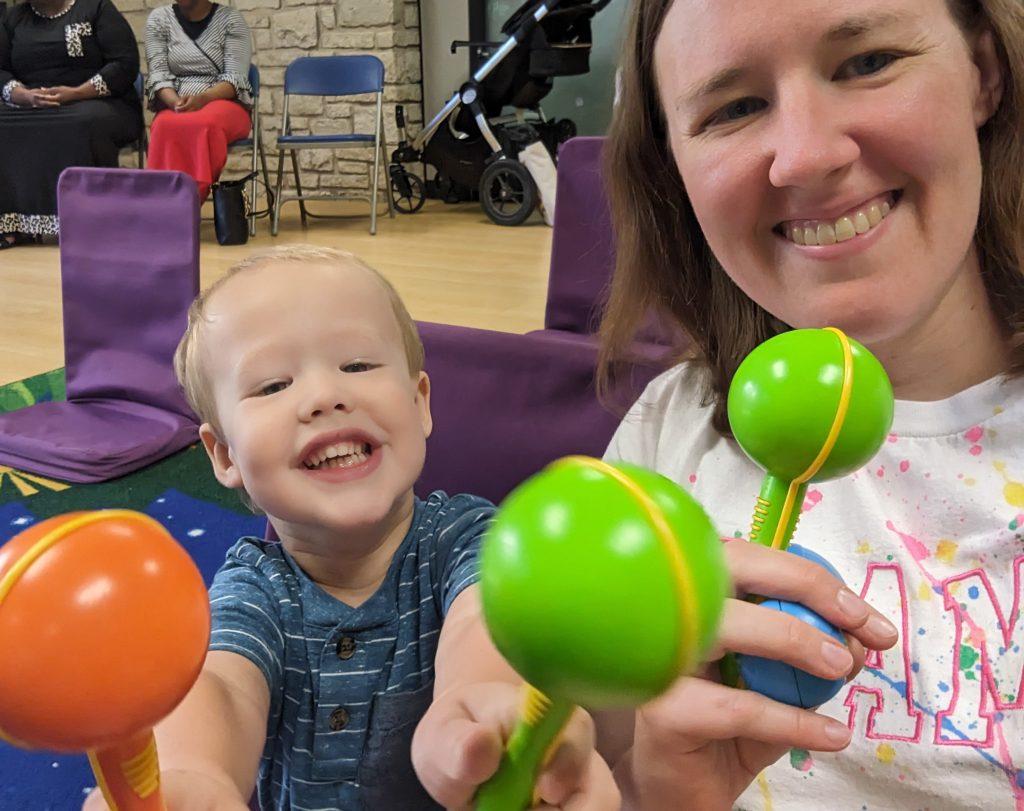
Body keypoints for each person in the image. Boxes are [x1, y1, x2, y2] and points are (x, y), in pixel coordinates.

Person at [596, 0, 1024, 808]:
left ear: (984, 73)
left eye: (867, 63)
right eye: (735, 107)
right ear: (674, 171)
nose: (806, 155)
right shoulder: (669, 433)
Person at [82, 245, 618, 811]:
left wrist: (480, 697)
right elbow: (224, 686)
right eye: (272, 386)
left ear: (420, 403)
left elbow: (487, 614)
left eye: (357, 366)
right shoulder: (255, 585)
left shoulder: (466, 536)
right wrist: (191, 773)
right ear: (224, 456)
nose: (323, 396)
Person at [0, 0, 142, 248]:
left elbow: (125, 63)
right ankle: (13, 224)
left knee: (79, 122)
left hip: (100, 102)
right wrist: (21, 94)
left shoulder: (96, 8)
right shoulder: (13, 19)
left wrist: (76, 93)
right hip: (33, 105)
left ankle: (86, 220)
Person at [144, 0, 251, 201]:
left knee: (204, 124)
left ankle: (190, 200)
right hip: (176, 102)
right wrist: (176, 102)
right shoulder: (159, 19)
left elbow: (236, 78)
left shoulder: (231, 20)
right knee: (163, 124)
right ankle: (162, 203)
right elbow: (157, 75)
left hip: (224, 102)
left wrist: (203, 99)